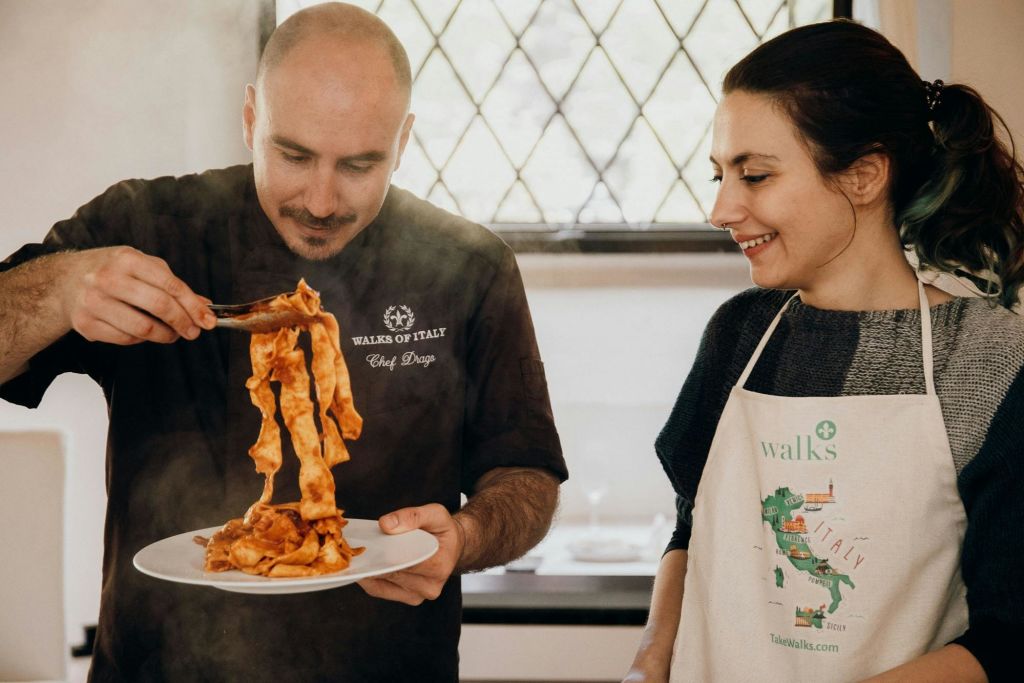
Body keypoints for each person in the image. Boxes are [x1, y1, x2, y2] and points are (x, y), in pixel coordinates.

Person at [0, 3, 566, 681]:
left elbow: (526, 473)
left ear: (404, 140)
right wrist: (60, 289)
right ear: (250, 119)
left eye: (359, 165)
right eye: (293, 155)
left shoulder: (471, 265)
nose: (321, 200)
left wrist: (467, 536)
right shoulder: (148, 227)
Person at [625, 19, 1023, 683]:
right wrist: (647, 664)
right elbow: (691, 528)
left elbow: (1010, 640)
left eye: (754, 175)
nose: (721, 207)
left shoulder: (986, 359)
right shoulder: (739, 335)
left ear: (864, 175)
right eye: (720, 174)